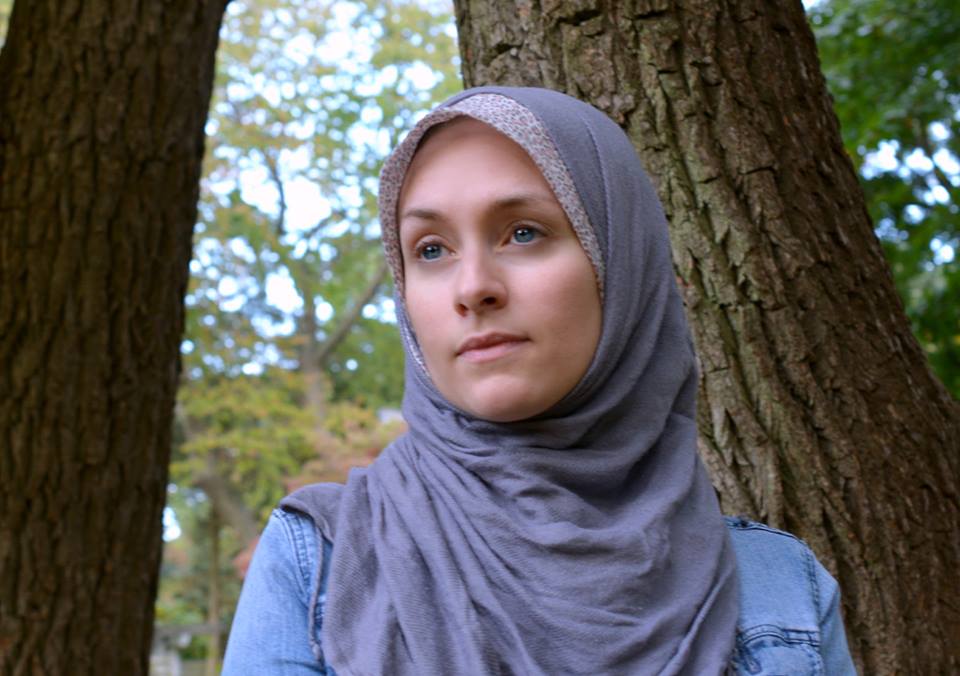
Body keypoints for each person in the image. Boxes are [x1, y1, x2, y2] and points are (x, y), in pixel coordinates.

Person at [222, 87, 857, 675]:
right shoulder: (318, 563)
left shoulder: (782, 590)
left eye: (523, 233)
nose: (473, 287)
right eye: (431, 249)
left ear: (622, 265)